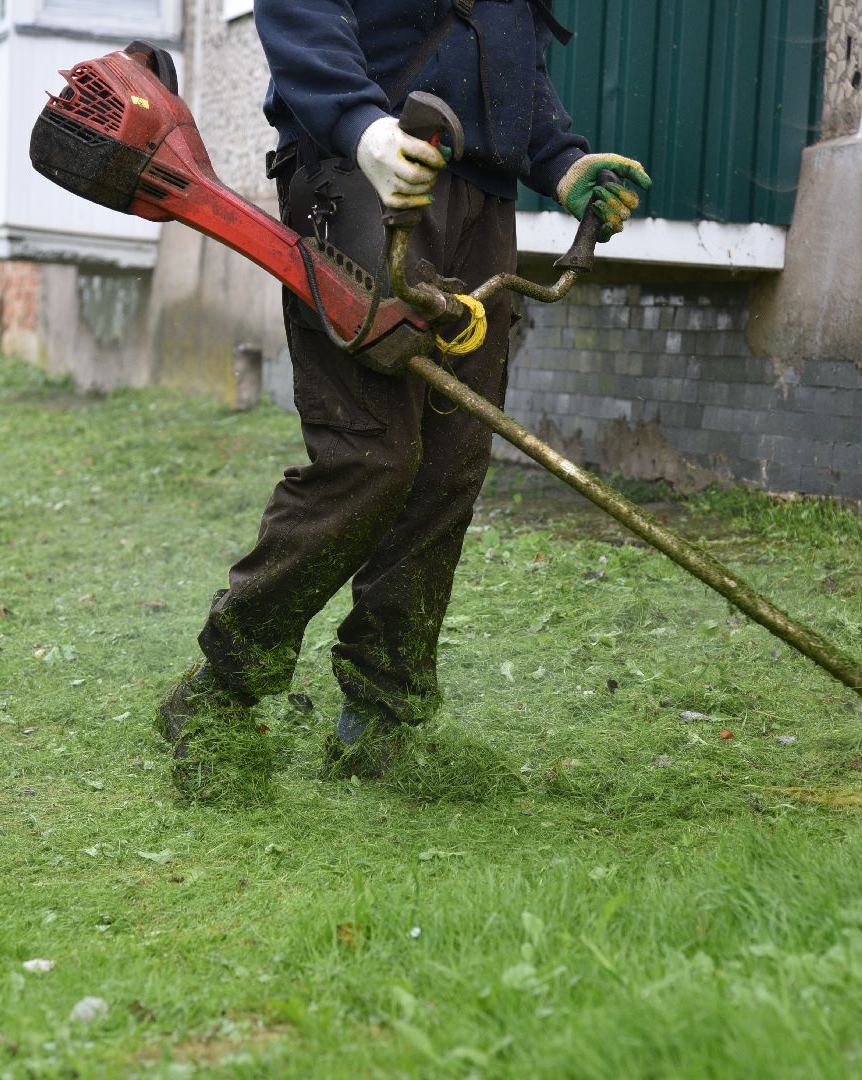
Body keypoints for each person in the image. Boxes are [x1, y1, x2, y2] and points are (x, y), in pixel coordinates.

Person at [158, 0, 651, 794]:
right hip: (360, 185)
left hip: (480, 210)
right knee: (370, 458)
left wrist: (562, 161)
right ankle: (220, 688)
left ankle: (381, 723)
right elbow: (299, 14)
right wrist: (366, 129)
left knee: (450, 465)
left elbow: (509, 57)